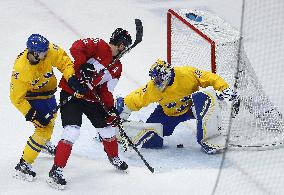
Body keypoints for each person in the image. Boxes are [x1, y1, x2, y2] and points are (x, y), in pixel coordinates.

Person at [46, 28, 132, 190]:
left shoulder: (117, 67)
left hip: (92, 98)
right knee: (72, 131)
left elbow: (107, 91)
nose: (124, 50)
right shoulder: (99, 45)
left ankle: (113, 157)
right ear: (121, 45)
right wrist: (83, 64)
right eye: (125, 47)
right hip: (73, 91)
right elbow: (76, 47)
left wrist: (111, 110)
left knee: (108, 128)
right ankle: (56, 170)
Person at [116, 59, 240, 154]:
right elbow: (136, 98)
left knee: (205, 97)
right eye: (155, 79)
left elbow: (209, 77)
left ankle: (211, 140)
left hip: (192, 108)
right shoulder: (153, 88)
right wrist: (123, 107)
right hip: (169, 114)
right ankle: (115, 133)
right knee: (151, 137)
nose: (156, 82)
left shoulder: (187, 73)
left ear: (167, 74)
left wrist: (224, 88)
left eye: (159, 79)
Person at [10, 34, 85, 182]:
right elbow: (15, 98)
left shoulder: (48, 50)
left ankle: (43, 144)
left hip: (49, 94)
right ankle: (24, 164)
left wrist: (71, 79)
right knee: (43, 129)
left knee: (51, 120)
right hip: (33, 98)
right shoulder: (21, 70)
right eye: (44, 52)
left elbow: (64, 61)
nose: (48, 52)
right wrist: (32, 114)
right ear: (34, 53)